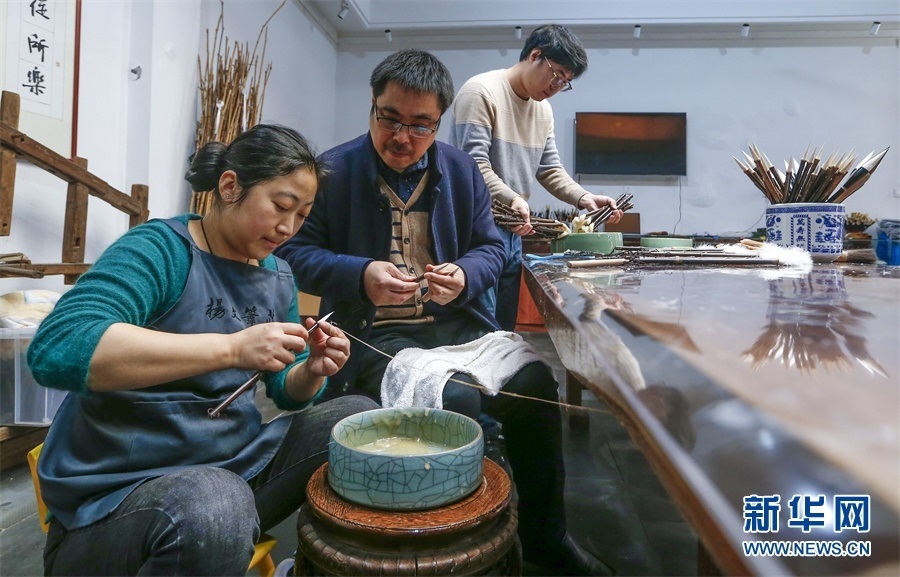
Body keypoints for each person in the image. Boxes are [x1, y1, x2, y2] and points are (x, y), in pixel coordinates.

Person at [275, 49, 613, 576]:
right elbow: (293, 253)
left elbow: (491, 249)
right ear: (371, 106)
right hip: (373, 336)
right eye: (389, 118)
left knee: (536, 385)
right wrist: (360, 275)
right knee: (455, 398)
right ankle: (450, 544)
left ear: (438, 123)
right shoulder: (334, 171)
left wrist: (464, 277)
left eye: (420, 125)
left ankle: (545, 538)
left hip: (456, 327)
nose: (402, 137)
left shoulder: (459, 170)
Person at [26, 124, 379, 576]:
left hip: (230, 470)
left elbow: (282, 390)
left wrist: (311, 369)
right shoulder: (160, 250)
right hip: (121, 496)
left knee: (356, 421)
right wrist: (231, 349)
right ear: (229, 187)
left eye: (302, 215)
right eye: (280, 206)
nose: (288, 227)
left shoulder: (277, 274)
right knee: (215, 504)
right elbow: (59, 348)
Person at [452, 24, 622, 330]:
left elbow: (550, 169)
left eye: (566, 83)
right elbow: (473, 166)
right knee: (480, 327)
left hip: (514, 230)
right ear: (535, 55)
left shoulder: (543, 111)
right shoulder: (481, 92)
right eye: (557, 75)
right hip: (476, 229)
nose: (557, 87)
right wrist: (513, 198)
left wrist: (584, 198)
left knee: (505, 325)